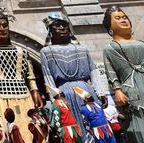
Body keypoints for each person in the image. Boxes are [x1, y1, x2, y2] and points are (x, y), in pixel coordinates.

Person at [101, 6, 144, 143]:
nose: (123, 20)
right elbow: (111, 71)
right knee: (139, 125)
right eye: (118, 18)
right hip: (131, 90)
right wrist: (117, 90)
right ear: (109, 26)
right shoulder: (109, 48)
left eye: (124, 17)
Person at [0, 9, 40, 143]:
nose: (1, 28)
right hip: (1, 95)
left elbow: (30, 74)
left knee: (30, 129)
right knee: (7, 131)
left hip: (24, 94)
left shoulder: (22, 51)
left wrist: (35, 90)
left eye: (4, 25)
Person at [39, 12, 99, 143]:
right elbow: (48, 77)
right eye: (57, 25)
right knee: (74, 129)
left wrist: (99, 92)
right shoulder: (46, 52)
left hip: (87, 90)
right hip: (64, 94)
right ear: (50, 30)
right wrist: (54, 98)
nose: (62, 28)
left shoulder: (82, 49)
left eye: (65, 25)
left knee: (97, 126)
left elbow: (93, 70)